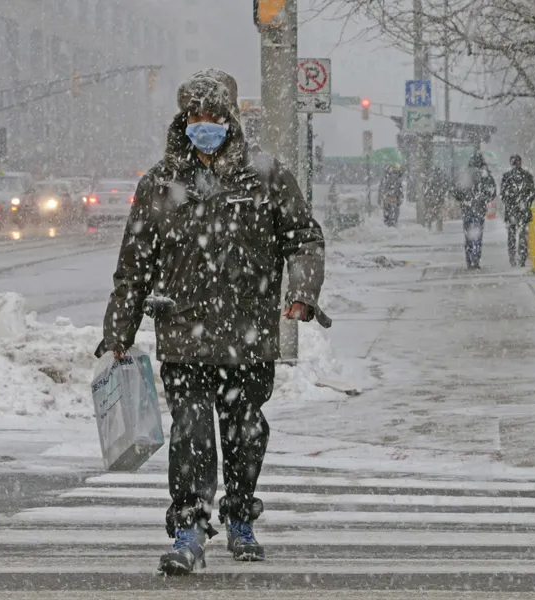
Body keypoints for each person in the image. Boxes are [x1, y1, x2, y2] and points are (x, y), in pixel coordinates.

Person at [96, 69, 326, 575]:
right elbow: (133, 264)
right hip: (183, 334)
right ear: (185, 119)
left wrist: (302, 294)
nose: (205, 124)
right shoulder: (161, 182)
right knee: (192, 432)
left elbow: (304, 238)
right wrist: (119, 331)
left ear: (230, 119)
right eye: (196, 115)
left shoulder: (264, 175)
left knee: (245, 433)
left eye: (214, 116)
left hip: (248, 334)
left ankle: (241, 516)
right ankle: (190, 527)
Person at [457, 152, 496, 269]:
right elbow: (492, 192)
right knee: (477, 236)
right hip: (479, 209)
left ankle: (469, 260)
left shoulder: (464, 174)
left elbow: (456, 190)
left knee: (468, 235)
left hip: (467, 208)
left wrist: (463, 199)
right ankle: (476, 259)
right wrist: (484, 199)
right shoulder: (485, 175)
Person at [500, 154, 535, 267]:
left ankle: (513, 257)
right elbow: (532, 193)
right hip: (523, 210)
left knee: (513, 235)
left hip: (513, 211)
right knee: (522, 235)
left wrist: (510, 203)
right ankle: (521, 257)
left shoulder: (507, 177)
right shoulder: (527, 176)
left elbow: (503, 194)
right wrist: (525, 203)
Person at [424, 167, 448, 232]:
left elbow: (427, 190)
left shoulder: (430, 180)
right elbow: (444, 189)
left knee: (431, 214)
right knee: (438, 215)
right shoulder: (441, 180)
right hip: (438, 199)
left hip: (433, 199)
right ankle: (439, 228)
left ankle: (430, 227)